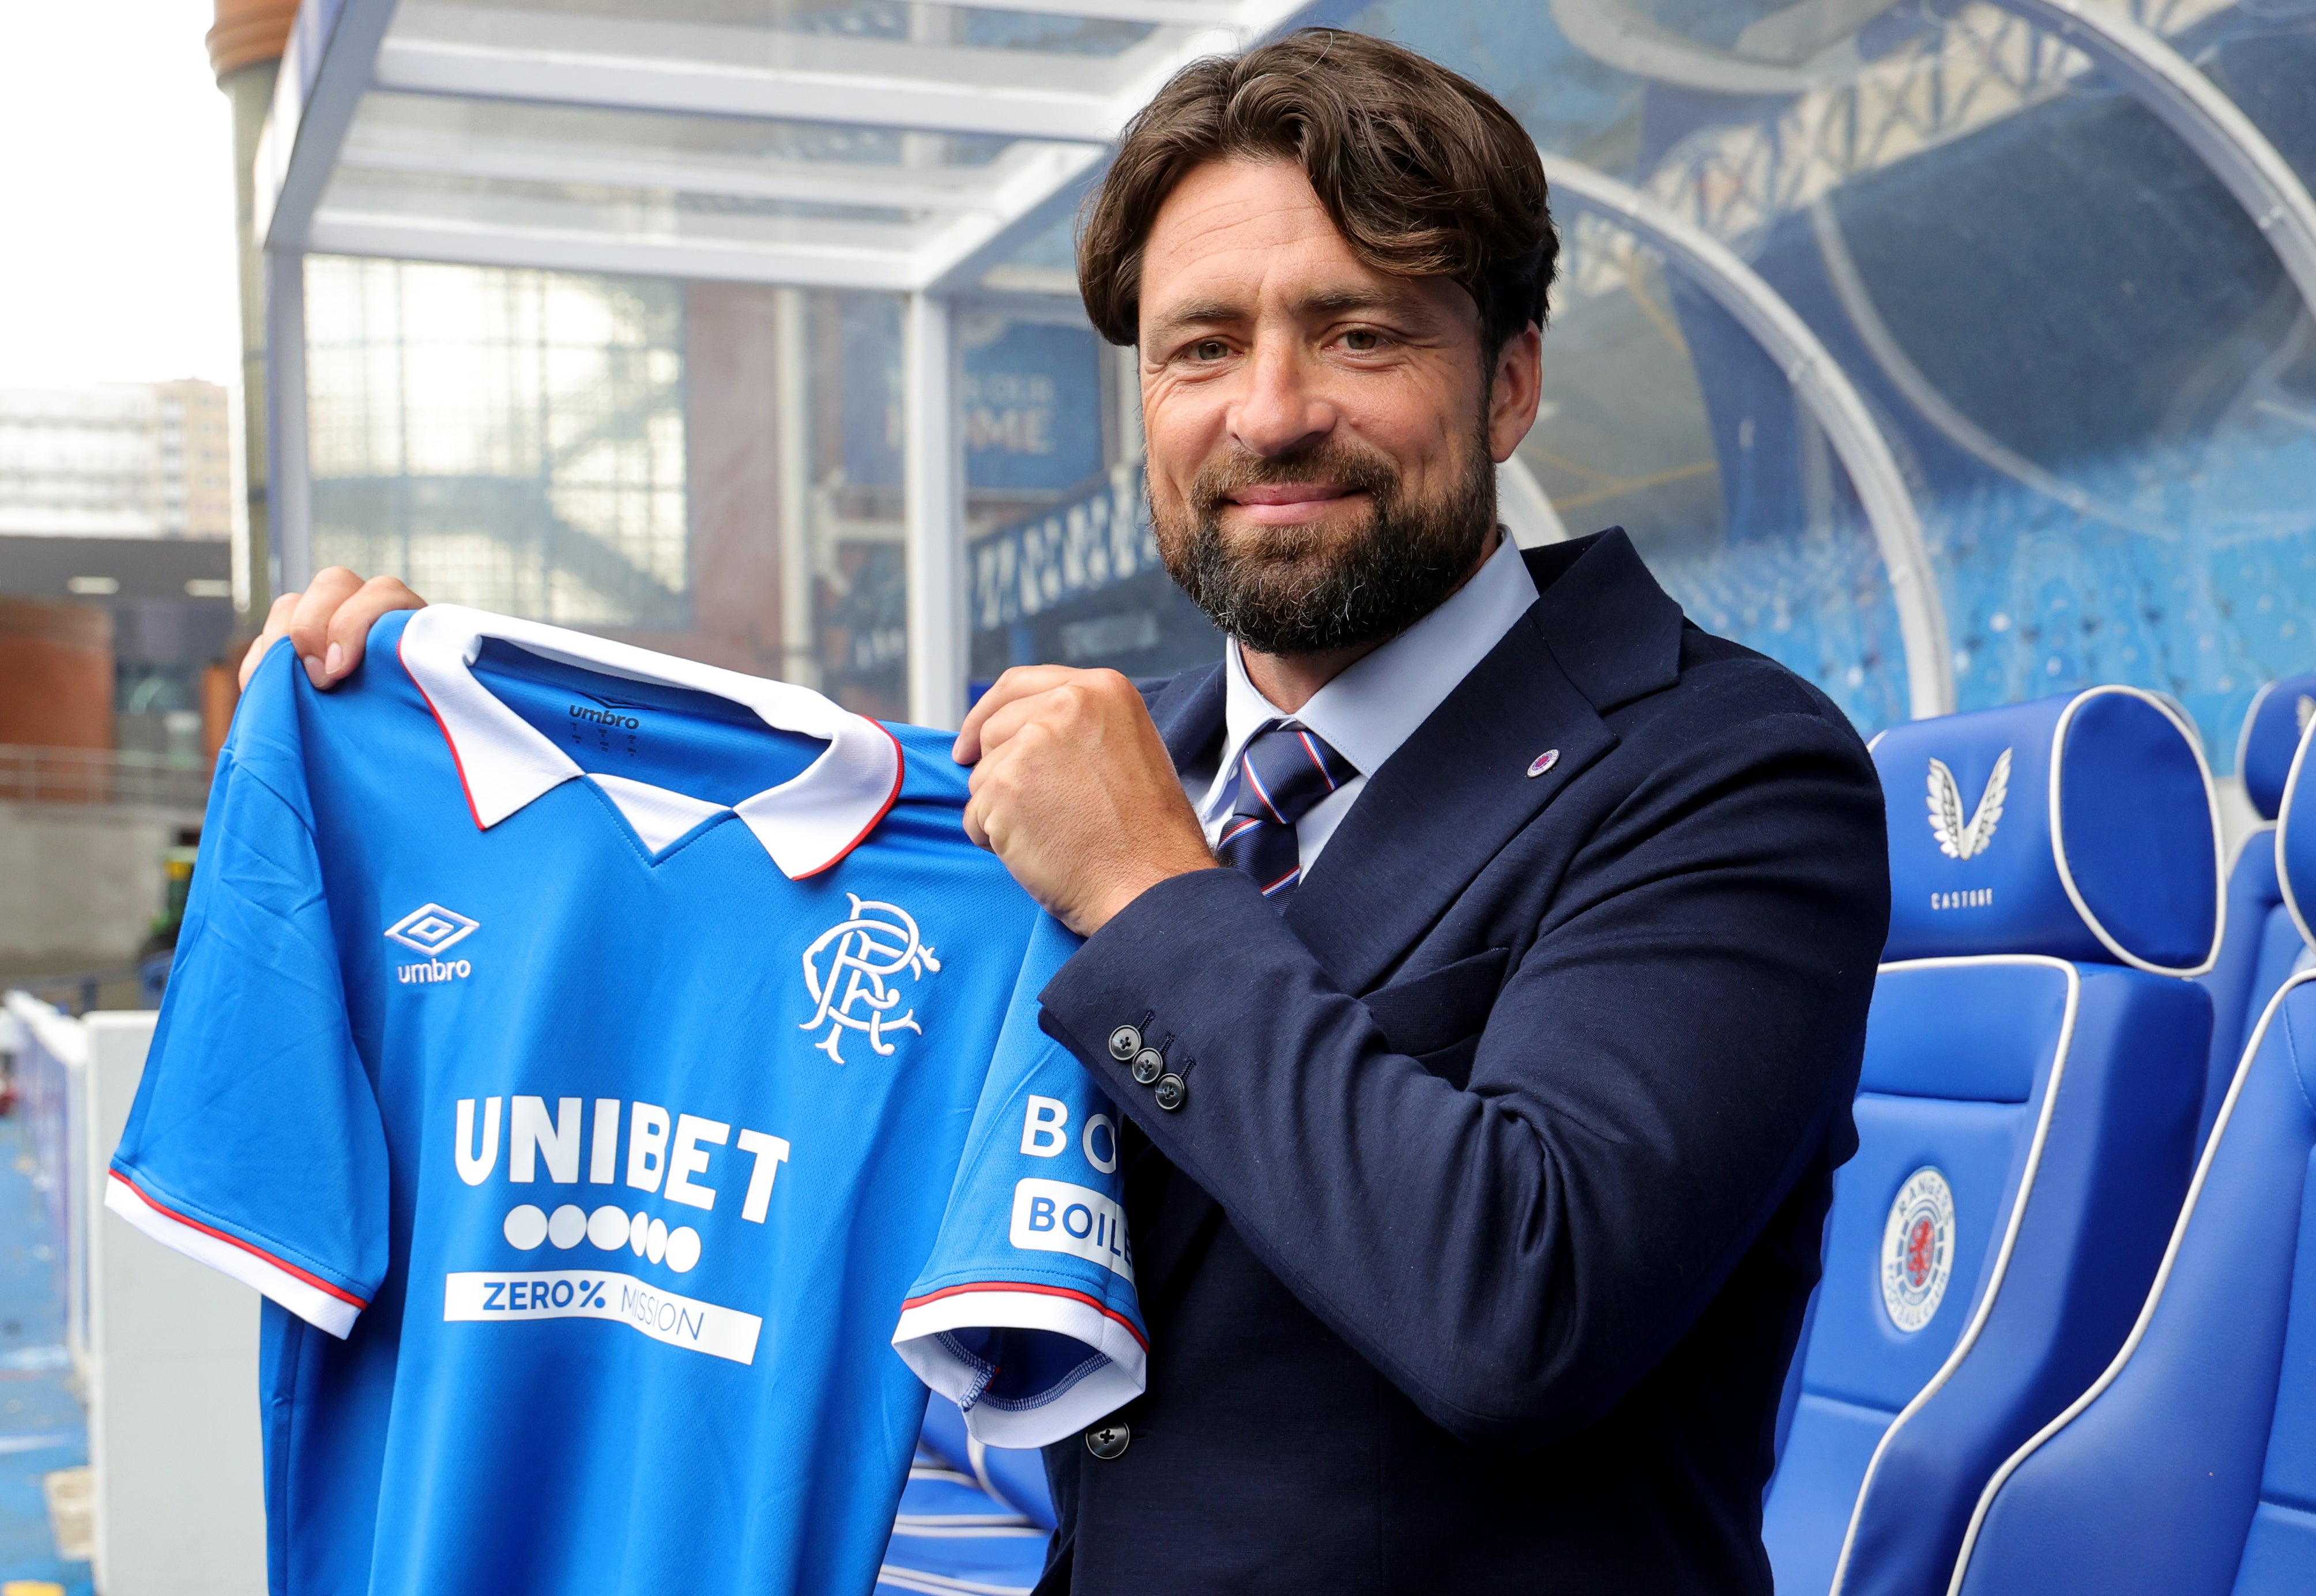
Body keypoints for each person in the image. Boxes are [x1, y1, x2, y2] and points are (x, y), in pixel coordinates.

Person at [242, 29, 1889, 1594]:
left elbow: (1521, 1304)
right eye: (1200, 347)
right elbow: (716, 950)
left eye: (1359, 332)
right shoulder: (1074, 788)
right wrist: (439, 721)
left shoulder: (1730, 769)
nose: (1267, 410)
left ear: (1509, 383)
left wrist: (1158, 899)